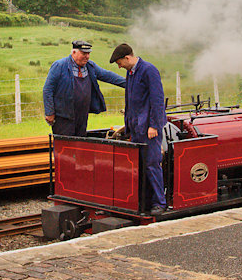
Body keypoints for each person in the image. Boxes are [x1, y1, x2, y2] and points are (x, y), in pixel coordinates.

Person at [110, 43, 167, 216]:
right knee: (139, 166)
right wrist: (127, 125)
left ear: (127, 58)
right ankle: (144, 200)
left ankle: (160, 202)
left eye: (120, 63)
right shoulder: (130, 73)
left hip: (148, 129)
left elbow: (157, 100)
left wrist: (154, 125)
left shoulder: (149, 70)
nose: (119, 67)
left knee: (152, 164)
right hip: (135, 128)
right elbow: (130, 101)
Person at [43, 40, 125, 137]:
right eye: (84, 53)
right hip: (64, 117)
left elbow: (108, 76)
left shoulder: (90, 66)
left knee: (80, 147)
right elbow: (47, 90)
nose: (87, 56)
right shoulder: (59, 66)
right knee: (65, 148)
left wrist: (130, 83)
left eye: (88, 53)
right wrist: (50, 113)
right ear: (74, 52)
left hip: (82, 117)